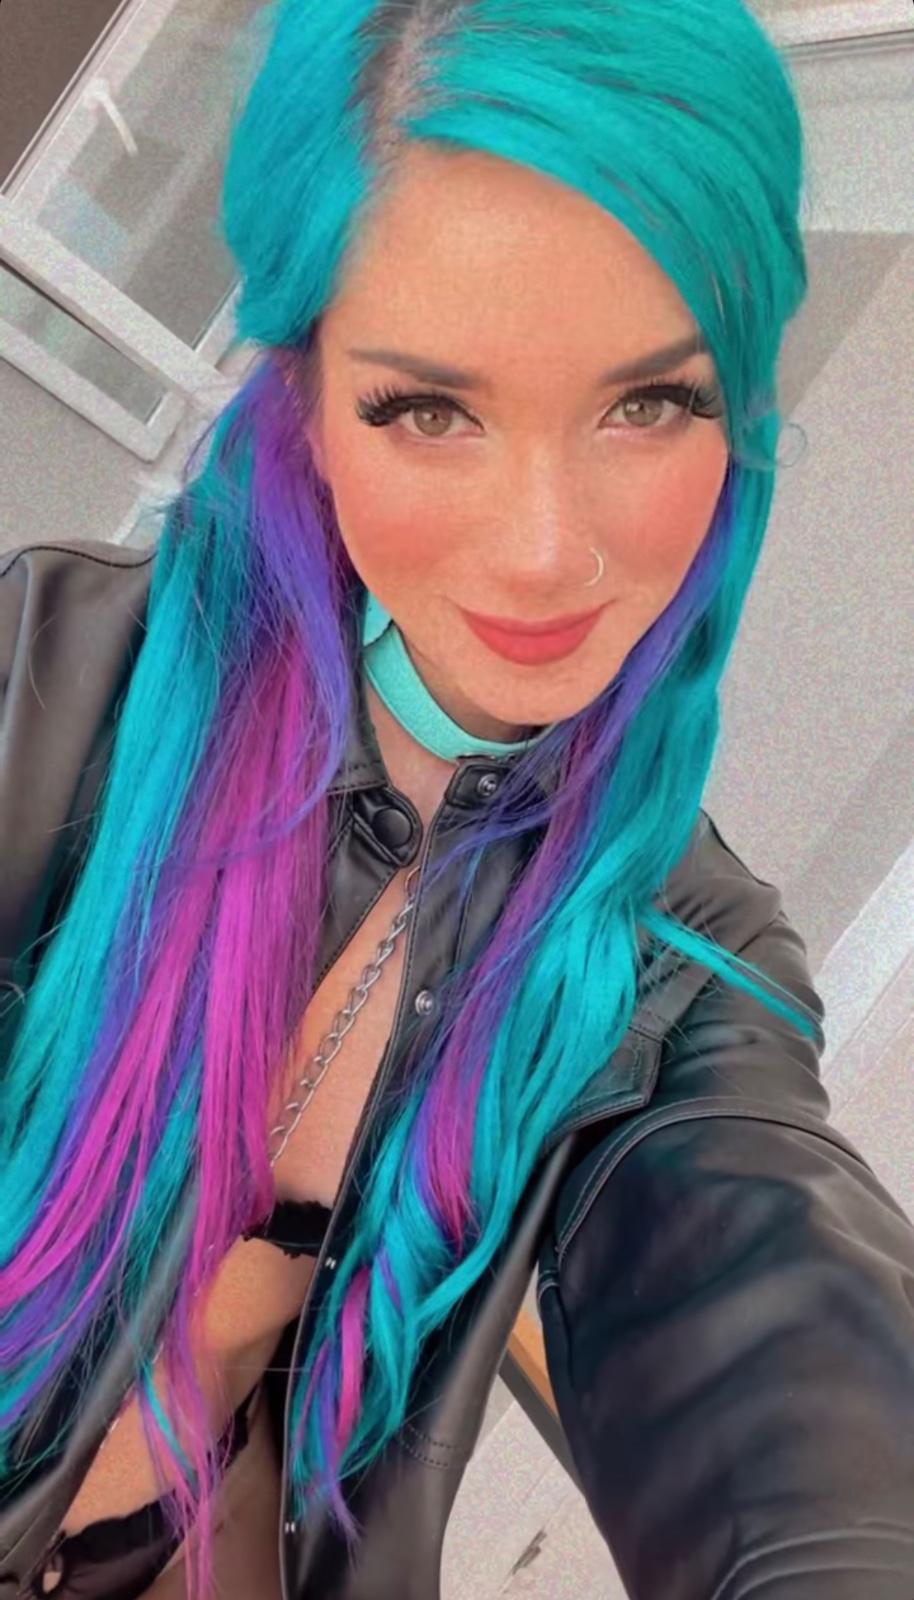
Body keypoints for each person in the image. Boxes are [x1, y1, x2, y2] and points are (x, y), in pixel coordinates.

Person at [1, 0, 913, 1596]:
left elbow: (773, 1333)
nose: (545, 550)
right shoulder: (45, 688)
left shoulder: (676, 963)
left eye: (650, 402)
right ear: (304, 400)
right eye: (428, 409)